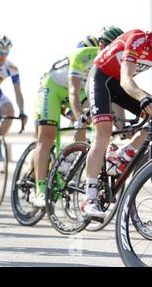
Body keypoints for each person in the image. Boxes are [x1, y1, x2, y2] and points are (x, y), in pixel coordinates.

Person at [31, 28, 123, 207]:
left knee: (96, 123)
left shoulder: (112, 63)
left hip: (82, 89)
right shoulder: (83, 54)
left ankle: (73, 159)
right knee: (47, 137)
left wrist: (120, 126)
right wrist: (79, 116)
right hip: (54, 88)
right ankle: (40, 191)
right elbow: (73, 91)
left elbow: (115, 99)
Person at [82, 29, 152, 218]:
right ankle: (89, 198)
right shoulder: (139, 39)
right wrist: (143, 98)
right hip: (101, 79)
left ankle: (124, 152)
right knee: (103, 134)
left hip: (120, 84)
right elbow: (127, 79)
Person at [0, 35, 28, 160]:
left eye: (6, 52)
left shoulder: (11, 67)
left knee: (10, 110)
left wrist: (22, 112)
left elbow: (18, 91)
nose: (3, 55)